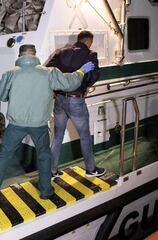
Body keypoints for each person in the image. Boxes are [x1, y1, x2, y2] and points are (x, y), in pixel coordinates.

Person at [0, 44, 94, 200]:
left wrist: (5, 87)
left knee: (4, 156)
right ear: (34, 55)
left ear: (20, 56)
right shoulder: (49, 72)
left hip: (16, 124)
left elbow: (2, 96)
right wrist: (81, 71)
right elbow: (69, 83)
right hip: (39, 125)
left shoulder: (10, 74)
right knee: (44, 156)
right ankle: (46, 191)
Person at [46, 31, 106, 178]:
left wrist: (56, 87)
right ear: (89, 41)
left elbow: (48, 70)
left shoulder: (61, 52)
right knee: (85, 136)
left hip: (59, 99)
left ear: (78, 40)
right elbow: (94, 76)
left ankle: (52, 171)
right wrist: (85, 85)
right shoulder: (90, 54)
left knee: (58, 136)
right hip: (76, 101)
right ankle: (91, 169)